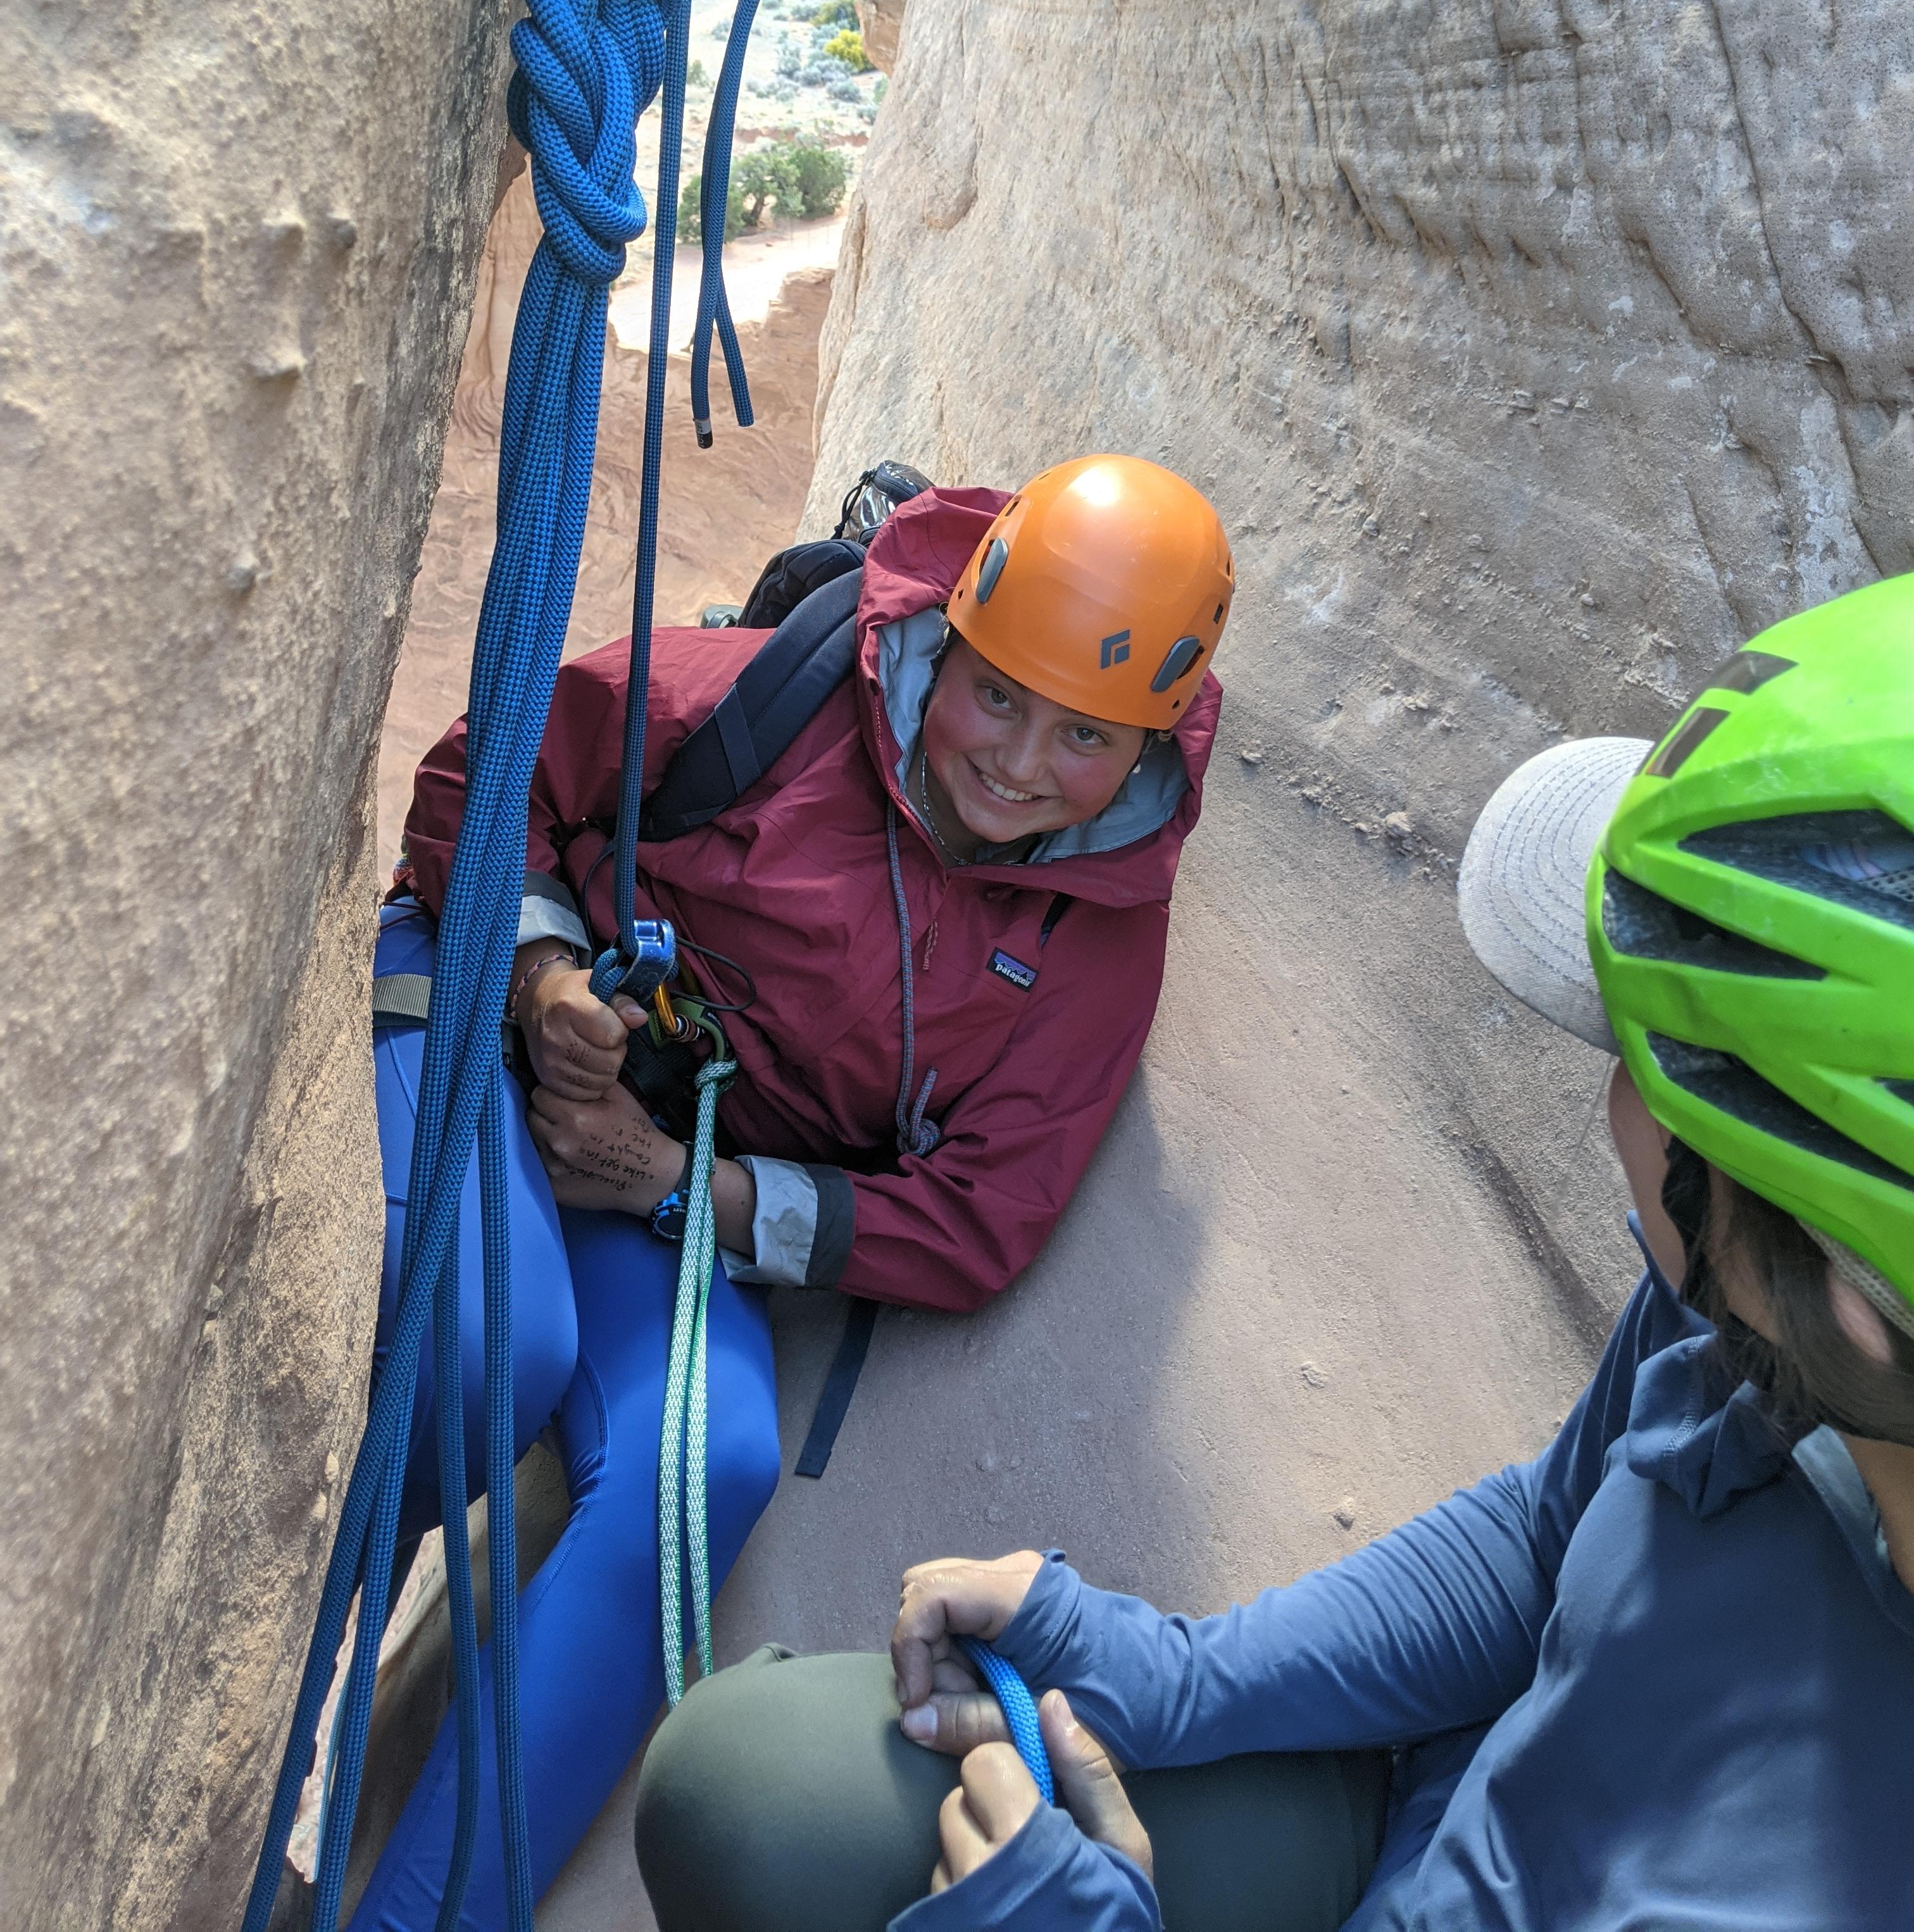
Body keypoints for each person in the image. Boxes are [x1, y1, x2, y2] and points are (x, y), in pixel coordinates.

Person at [632, 570, 1914, 1931]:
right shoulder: (1751, 1317)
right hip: (1452, 1828)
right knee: (746, 1786)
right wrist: (1184, 1676)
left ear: (1842, 1294)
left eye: (1641, 1063)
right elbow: (1554, 1532)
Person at [350, 456, 1234, 1929]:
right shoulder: (780, 695)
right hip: (492, 1028)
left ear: (1149, 741)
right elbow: (491, 766)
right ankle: (265, 1725)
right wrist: (545, 974)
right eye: (996, 693)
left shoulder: (1099, 934)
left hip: (659, 1154)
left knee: (712, 1461)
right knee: (491, 1350)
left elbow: (978, 1215)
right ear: (949, 639)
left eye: (1084, 735)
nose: (1017, 762)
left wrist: (687, 1185)